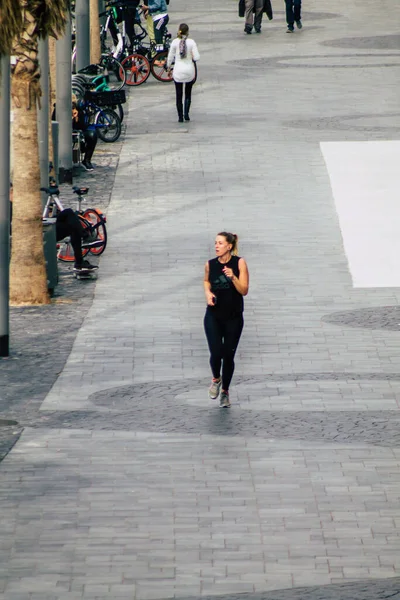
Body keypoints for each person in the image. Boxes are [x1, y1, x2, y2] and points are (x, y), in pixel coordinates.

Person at [203, 232, 249, 408]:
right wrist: (208, 293)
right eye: (215, 243)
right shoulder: (210, 264)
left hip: (234, 317)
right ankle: (216, 378)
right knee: (216, 353)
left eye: (220, 243)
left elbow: (244, 290)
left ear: (229, 246)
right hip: (213, 315)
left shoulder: (239, 263)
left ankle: (225, 392)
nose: (216, 246)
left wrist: (233, 277)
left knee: (228, 356)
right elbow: (206, 281)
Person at [10, 183, 97, 272]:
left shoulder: (19, 205)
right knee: (72, 226)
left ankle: (83, 240)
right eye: (13, 192)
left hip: (43, 227)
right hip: (37, 234)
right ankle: (83, 244)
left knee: (69, 214)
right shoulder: (8, 208)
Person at [167, 23, 200, 123]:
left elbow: (170, 57)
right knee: (188, 93)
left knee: (178, 94)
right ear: (188, 32)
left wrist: (168, 67)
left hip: (178, 71)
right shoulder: (191, 42)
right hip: (189, 71)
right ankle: (186, 114)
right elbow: (197, 57)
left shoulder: (174, 42)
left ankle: (180, 116)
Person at [72, 100, 98, 172]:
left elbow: (83, 126)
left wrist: (76, 119)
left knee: (92, 135)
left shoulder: (78, 110)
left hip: (77, 131)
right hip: (64, 132)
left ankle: (87, 160)